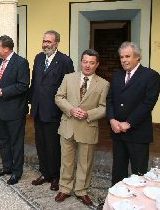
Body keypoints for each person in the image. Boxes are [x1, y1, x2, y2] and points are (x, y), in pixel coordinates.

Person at [54, 49, 110, 206]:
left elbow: (104, 108)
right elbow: (59, 97)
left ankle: (81, 190)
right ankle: (64, 188)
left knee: (85, 161)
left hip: (88, 126)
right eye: (85, 61)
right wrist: (71, 109)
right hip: (68, 126)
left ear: (97, 64)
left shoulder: (104, 84)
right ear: (81, 62)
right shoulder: (68, 78)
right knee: (66, 160)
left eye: (92, 63)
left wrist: (89, 114)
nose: (88, 65)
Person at [107, 41, 160, 185]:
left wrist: (129, 123)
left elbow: (148, 104)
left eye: (127, 56)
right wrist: (112, 120)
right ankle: (116, 202)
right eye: (121, 57)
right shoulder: (117, 75)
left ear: (137, 57)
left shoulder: (151, 76)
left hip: (138, 133)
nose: (124, 60)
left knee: (139, 173)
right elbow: (110, 99)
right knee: (118, 170)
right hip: (117, 131)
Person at [29, 30, 74, 191]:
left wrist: (67, 109)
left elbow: (70, 87)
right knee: (40, 143)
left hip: (54, 111)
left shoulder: (65, 60)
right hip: (38, 109)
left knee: (53, 145)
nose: (45, 44)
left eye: (48, 41)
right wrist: (30, 102)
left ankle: (55, 176)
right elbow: (35, 82)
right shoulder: (39, 58)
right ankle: (45, 173)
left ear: (56, 43)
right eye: (44, 41)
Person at [0, 35, 30, 185]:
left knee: (16, 142)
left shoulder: (21, 62)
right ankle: (6, 167)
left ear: (6, 49)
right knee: (4, 141)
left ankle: (16, 172)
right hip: (0, 110)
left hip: (15, 111)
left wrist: (3, 92)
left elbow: (23, 85)